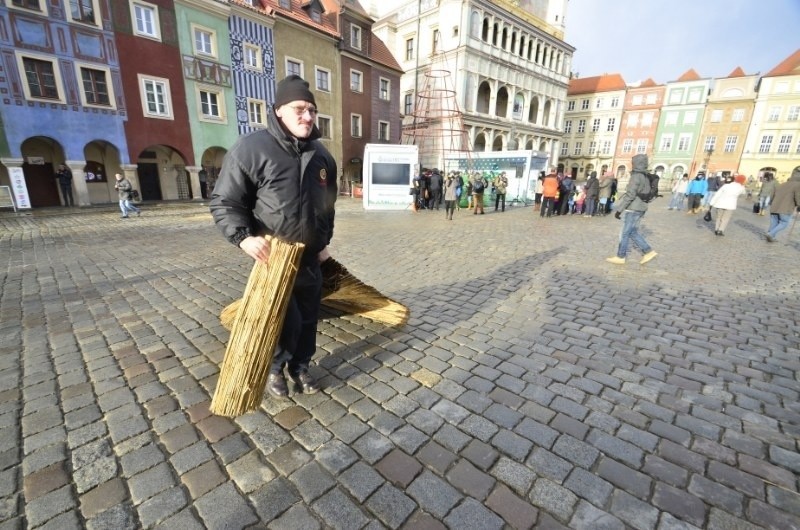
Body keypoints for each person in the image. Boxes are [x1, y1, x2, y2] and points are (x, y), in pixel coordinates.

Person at [209, 74, 337, 398]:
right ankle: (276, 368)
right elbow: (225, 200)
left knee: (308, 319)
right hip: (274, 258)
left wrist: (324, 244)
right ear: (279, 109)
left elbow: (327, 207)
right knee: (283, 320)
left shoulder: (323, 157)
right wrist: (243, 238)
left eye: (312, 110)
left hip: (309, 260)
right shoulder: (252, 148)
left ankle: (301, 366)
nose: (307, 116)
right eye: (299, 109)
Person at [606, 153, 657, 265]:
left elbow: (630, 195)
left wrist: (619, 210)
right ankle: (648, 251)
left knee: (625, 233)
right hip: (641, 207)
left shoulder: (636, 176)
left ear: (636, 163)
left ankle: (621, 256)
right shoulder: (645, 176)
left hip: (633, 208)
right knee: (632, 232)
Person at [765, 166, 800, 243]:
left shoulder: (782, 184)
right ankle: (770, 234)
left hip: (774, 206)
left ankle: (771, 237)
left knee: (774, 222)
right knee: (784, 223)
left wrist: (770, 202)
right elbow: (798, 196)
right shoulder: (798, 185)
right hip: (785, 208)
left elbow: (772, 194)